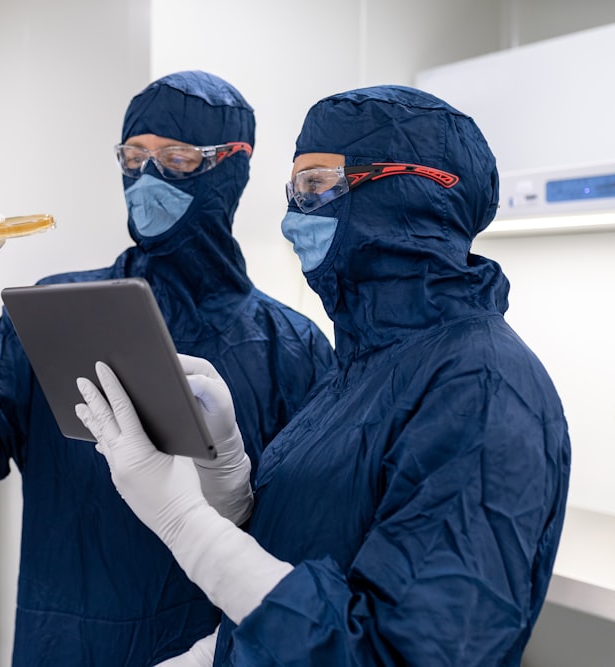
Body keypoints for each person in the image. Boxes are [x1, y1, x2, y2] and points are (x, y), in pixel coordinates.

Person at [76, 85, 571, 666]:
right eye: (294, 191)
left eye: (316, 185)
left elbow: (397, 653)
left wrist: (184, 522)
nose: (291, 223)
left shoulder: (483, 391)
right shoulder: (364, 367)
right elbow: (313, 549)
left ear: (412, 191)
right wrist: (228, 475)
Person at [0, 70, 336, 666]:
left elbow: (308, 538)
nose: (146, 177)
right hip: (68, 638)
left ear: (232, 167)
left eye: (176, 158)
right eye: (134, 156)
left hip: (216, 641)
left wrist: (225, 649)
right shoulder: (58, 314)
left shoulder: (291, 345)